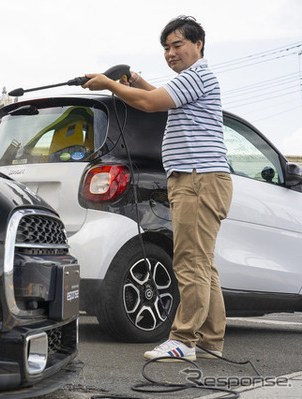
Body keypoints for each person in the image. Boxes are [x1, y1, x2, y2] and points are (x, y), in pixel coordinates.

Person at [82, 15, 233, 361]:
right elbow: (156, 97)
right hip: (201, 178)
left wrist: (110, 84)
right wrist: (134, 80)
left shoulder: (198, 76)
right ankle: (210, 340)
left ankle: (183, 340)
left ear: (198, 45)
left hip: (197, 179)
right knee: (203, 263)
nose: (171, 52)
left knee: (191, 261)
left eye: (177, 44)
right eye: (166, 47)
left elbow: (149, 104)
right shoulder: (192, 81)